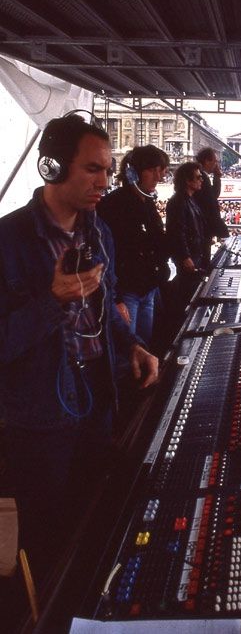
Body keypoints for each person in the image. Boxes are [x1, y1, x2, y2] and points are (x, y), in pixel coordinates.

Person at [0, 113, 158, 583]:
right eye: (92, 169)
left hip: (97, 398)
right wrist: (52, 302)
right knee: (47, 535)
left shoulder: (99, 232)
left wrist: (132, 345)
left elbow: (105, 310)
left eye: (107, 170)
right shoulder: (7, 241)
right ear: (52, 166)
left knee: (93, 518)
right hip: (39, 418)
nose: (104, 182)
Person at [97, 145, 170, 347]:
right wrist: (116, 299)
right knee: (128, 349)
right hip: (126, 292)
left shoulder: (147, 202)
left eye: (160, 171)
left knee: (144, 344)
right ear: (134, 172)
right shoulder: (113, 205)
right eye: (152, 170)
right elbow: (107, 255)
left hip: (148, 288)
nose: (158, 177)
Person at [165, 161, 207, 329]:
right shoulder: (178, 202)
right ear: (188, 181)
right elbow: (177, 232)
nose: (202, 180)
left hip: (194, 254)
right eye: (198, 177)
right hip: (188, 257)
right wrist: (185, 256)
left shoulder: (189, 199)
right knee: (186, 294)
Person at [194, 147, 229, 268]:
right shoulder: (201, 176)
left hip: (202, 228)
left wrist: (217, 177)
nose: (216, 164)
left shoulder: (201, 175)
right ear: (207, 161)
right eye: (214, 161)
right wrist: (217, 176)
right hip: (202, 229)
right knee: (203, 264)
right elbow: (212, 197)